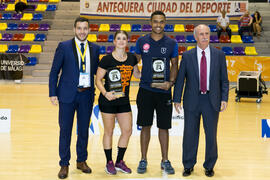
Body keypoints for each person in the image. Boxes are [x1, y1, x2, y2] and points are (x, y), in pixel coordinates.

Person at [173, 24, 229, 177]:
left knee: (211, 135)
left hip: (212, 100)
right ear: (195, 37)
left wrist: (224, 98)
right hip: (192, 100)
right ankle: (188, 165)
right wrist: (177, 98)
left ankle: (209, 165)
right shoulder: (187, 56)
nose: (205, 37)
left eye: (207, 34)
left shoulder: (219, 55)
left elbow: (224, 80)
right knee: (190, 134)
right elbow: (180, 79)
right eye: (201, 34)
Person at [49, 17, 100, 179]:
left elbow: (98, 73)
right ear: (74, 29)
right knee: (65, 131)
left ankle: (81, 160)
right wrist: (52, 93)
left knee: (83, 130)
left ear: (89, 30)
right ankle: (64, 164)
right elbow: (54, 71)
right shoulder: (63, 47)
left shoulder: (95, 48)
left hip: (86, 95)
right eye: (79, 28)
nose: (82, 31)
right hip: (66, 95)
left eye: (85, 28)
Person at [134, 10, 179, 175]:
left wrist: (171, 83)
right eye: (155, 21)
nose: (158, 25)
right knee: (145, 125)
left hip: (164, 92)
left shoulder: (172, 43)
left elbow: (175, 65)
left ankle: (165, 160)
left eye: (161, 22)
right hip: (145, 90)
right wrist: (136, 72)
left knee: (164, 127)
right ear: (150, 23)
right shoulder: (141, 41)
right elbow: (134, 59)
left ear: (164, 23)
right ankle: (143, 159)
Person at [95, 30, 141, 175]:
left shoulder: (132, 59)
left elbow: (137, 75)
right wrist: (105, 93)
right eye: (118, 38)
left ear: (127, 42)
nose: (121, 41)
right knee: (109, 131)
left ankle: (119, 161)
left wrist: (151, 70)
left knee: (127, 130)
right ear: (114, 41)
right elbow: (98, 80)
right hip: (108, 101)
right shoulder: (106, 60)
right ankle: (109, 162)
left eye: (124, 39)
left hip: (123, 101)